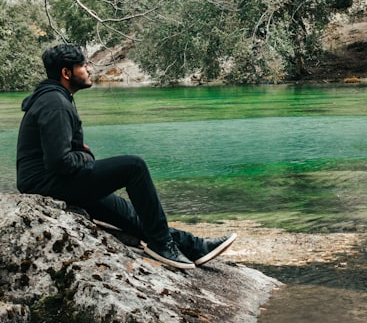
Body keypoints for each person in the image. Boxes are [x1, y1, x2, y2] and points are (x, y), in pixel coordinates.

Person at [16, 44, 236, 270]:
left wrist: (80, 154)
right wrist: (86, 156)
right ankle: (162, 244)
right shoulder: (55, 103)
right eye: (83, 66)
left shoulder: (55, 98)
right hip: (47, 184)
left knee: (128, 213)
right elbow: (59, 161)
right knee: (134, 166)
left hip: (54, 181)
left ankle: (193, 247)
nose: (89, 70)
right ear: (66, 73)